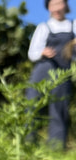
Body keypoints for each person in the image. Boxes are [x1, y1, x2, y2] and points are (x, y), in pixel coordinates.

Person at [26, 0, 76, 149]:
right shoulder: (44, 27)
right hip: (43, 69)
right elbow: (32, 54)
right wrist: (42, 52)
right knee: (32, 106)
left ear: (65, 6)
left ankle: (56, 149)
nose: (56, 7)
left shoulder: (73, 25)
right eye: (52, 4)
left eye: (59, 3)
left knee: (59, 109)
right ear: (48, 8)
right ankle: (28, 145)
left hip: (63, 72)